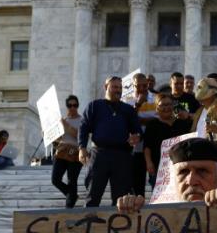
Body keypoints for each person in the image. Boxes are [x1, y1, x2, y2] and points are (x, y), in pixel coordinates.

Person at [78, 76, 141, 207]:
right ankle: (88, 224)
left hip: (121, 155)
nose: (118, 90)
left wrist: (136, 136)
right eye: (114, 87)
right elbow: (83, 127)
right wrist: (82, 148)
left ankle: (119, 225)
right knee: (93, 195)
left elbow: (137, 130)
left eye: (120, 87)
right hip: (99, 154)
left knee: (121, 197)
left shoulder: (128, 110)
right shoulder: (94, 106)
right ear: (106, 87)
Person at [143, 92, 192, 187]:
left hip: (180, 167)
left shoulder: (183, 123)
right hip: (159, 168)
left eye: (169, 104)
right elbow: (147, 147)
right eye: (163, 105)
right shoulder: (152, 125)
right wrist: (149, 163)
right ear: (157, 108)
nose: (166, 108)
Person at [53, 94, 83, 208]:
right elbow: (57, 140)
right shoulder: (62, 120)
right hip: (61, 152)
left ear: (78, 106)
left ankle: (69, 206)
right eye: (70, 105)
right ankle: (71, 195)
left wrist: (66, 125)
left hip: (75, 153)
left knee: (72, 180)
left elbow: (79, 136)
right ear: (67, 106)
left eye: (75, 105)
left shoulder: (82, 120)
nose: (72, 108)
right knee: (55, 179)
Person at [131, 72, 158, 196]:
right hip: (136, 149)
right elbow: (128, 120)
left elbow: (159, 120)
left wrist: (139, 119)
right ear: (133, 85)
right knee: (137, 184)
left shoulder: (156, 98)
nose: (141, 89)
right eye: (138, 86)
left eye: (144, 86)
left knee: (156, 182)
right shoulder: (128, 100)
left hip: (153, 146)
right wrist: (138, 105)